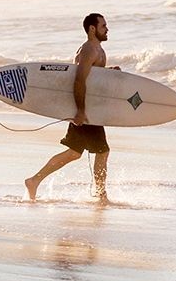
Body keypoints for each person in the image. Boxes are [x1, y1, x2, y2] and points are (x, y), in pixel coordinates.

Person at [25, 13, 111, 202]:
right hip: (85, 109)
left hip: (89, 109)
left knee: (75, 153)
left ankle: (34, 181)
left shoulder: (97, 49)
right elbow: (79, 80)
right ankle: (100, 195)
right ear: (92, 29)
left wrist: (109, 73)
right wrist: (80, 111)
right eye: (103, 26)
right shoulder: (89, 50)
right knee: (101, 151)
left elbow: (91, 77)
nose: (107, 29)